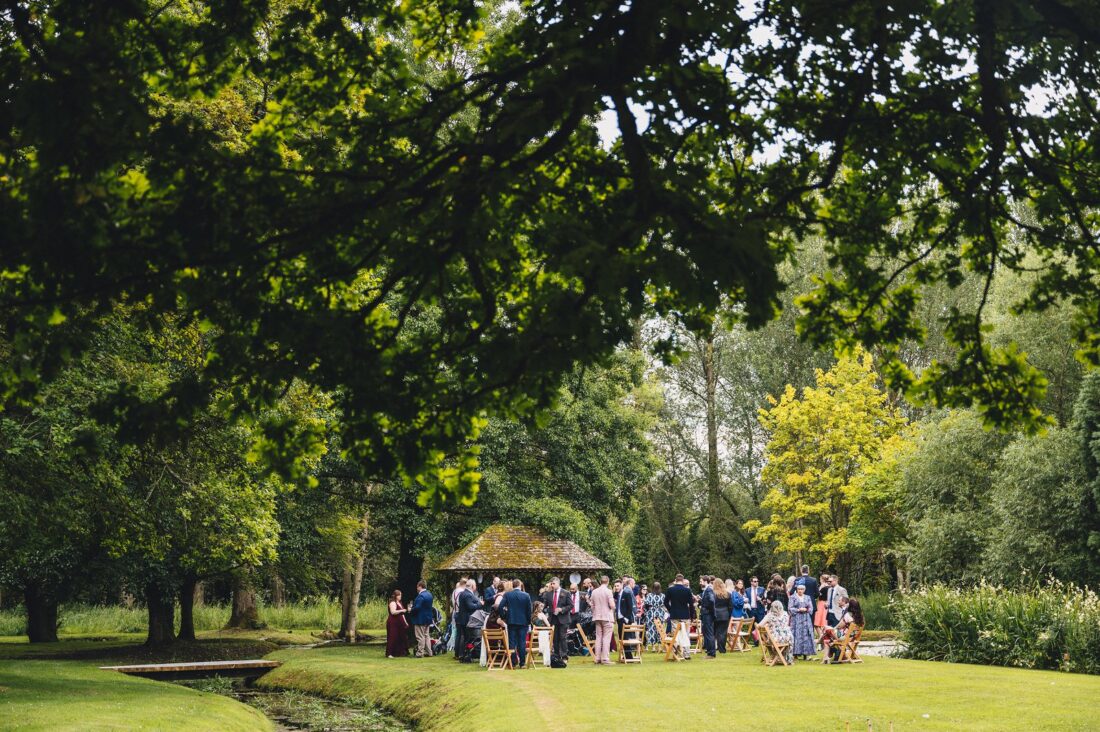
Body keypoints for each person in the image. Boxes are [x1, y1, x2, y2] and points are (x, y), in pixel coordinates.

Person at [499, 577, 533, 669]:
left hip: (511, 621)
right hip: (523, 622)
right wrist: (529, 621)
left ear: (513, 585)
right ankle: (522, 663)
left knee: (512, 642)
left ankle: (513, 662)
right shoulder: (526, 595)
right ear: (520, 585)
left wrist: (504, 617)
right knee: (522, 642)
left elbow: (500, 606)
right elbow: (529, 610)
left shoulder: (507, 595)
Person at [540, 577, 573, 660]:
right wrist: (543, 609)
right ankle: (556, 655)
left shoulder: (566, 593)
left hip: (563, 618)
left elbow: (571, 605)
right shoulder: (548, 594)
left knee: (562, 637)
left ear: (558, 583)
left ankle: (564, 655)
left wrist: (562, 609)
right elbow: (545, 605)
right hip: (553, 618)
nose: (552, 585)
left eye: (553, 583)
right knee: (555, 638)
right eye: (551, 583)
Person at [822, 597, 863, 663]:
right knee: (827, 635)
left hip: (844, 637)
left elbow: (840, 626)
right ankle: (831, 653)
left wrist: (832, 628)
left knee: (826, 630)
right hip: (852, 637)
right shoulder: (860, 616)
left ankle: (829, 654)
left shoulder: (848, 615)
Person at [664, 574, 695, 659]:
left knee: (675, 634)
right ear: (683, 580)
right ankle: (686, 654)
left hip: (674, 615)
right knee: (686, 634)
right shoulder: (687, 590)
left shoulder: (670, 590)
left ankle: (675, 653)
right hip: (685, 614)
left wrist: (671, 610)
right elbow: (691, 605)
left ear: (675, 580)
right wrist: (692, 616)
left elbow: (665, 602)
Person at [590, 575, 616, 665]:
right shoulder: (608, 591)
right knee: (606, 638)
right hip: (607, 617)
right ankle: (605, 658)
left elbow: (592, 605)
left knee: (598, 637)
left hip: (597, 617)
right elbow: (612, 605)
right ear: (607, 582)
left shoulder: (594, 592)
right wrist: (613, 607)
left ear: (600, 582)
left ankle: (597, 658)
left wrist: (596, 612)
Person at [758, 600, 793, 664]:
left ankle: (775, 656)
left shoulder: (769, 615)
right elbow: (786, 624)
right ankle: (784, 658)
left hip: (774, 639)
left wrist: (768, 625)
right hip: (788, 638)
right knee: (788, 640)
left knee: (770, 640)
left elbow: (759, 625)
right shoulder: (785, 614)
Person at [454, 579, 480, 662]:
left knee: (465, 638)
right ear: (472, 586)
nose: (476, 586)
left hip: (462, 619)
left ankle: (462, 655)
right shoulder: (468, 594)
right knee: (467, 638)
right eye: (475, 585)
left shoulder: (463, 593)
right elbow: (470, 606)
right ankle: (465, 655)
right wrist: (480, 604)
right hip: (467, 620)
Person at [788, 583, 815, 659]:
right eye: (799, 589)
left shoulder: (807, 597)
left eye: (802, 589)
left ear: (804, 590)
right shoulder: (792, 597)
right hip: (796, 618)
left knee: (806, 635)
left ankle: (805, 654)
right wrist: (798, 609)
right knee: (796, 635)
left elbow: (811, 608)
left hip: (806, 619)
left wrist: (806, 609)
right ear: (797, 590)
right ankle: (795, 654)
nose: (800, 591)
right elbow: (790, 608)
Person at [409, 580, 434, 658]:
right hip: (428, 619)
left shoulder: (421, 596)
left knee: (420, 636)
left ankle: (420, 653)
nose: (416, 588)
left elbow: (418, 607)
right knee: (426, 636)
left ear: (420, 586)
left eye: (417, 587)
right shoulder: (429, 594)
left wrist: (410, 610)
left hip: (420, 619)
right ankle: (429, 652)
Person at [617, 577, 637, 660]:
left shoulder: (626, 591)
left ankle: (628, 656)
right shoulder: (627, 591)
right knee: (624, 637)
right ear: (631, 583)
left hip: (625, 619)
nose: (635, 585)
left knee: (625, 637)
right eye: (634, 583)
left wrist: (627, 618)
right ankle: (627, 656)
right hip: (625, 618)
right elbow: (631, 606)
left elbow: (630, 606)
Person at [386, 589, 410, 658]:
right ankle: (389, 653)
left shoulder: (400, 602)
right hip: (393, 622)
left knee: (401, 637)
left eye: (401, 595)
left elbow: (402, 614)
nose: (400, 596)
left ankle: (400, 652)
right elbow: (393, 612)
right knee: (392, 637)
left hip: (400, 623)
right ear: (396, 596)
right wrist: (402, 610)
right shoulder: (392, 602)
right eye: (399, 595)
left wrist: (405, 622)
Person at [643, 581, 666, 648]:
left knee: (651, 629)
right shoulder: (663, 595)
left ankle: (653, 646)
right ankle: (659, 645)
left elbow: (646, 604)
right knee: (660, 629)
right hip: (660, 613)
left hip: (651, 613)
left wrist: (646, 612)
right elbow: (665, 604)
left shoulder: (649, 595)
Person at [698, 575, 716, 658]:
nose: (700, 583)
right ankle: (709, 652)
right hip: (706, 613)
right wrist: (701, 601)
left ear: (705, 581)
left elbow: (712, 601)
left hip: (708, 614)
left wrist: (707, 609)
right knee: (707, 633)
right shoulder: (707, 590)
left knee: (709, 633)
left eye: (701, 581)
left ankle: (711, 653)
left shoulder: (709, 590)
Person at [712, 576, 732, 653]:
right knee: (723, 633)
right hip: (725, 615)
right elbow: (730, 606)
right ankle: (722, 649)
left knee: (714, 632)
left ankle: (713, 648)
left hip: (715, 615)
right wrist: (729, 615)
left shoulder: (713, 594)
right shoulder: (728, 594)